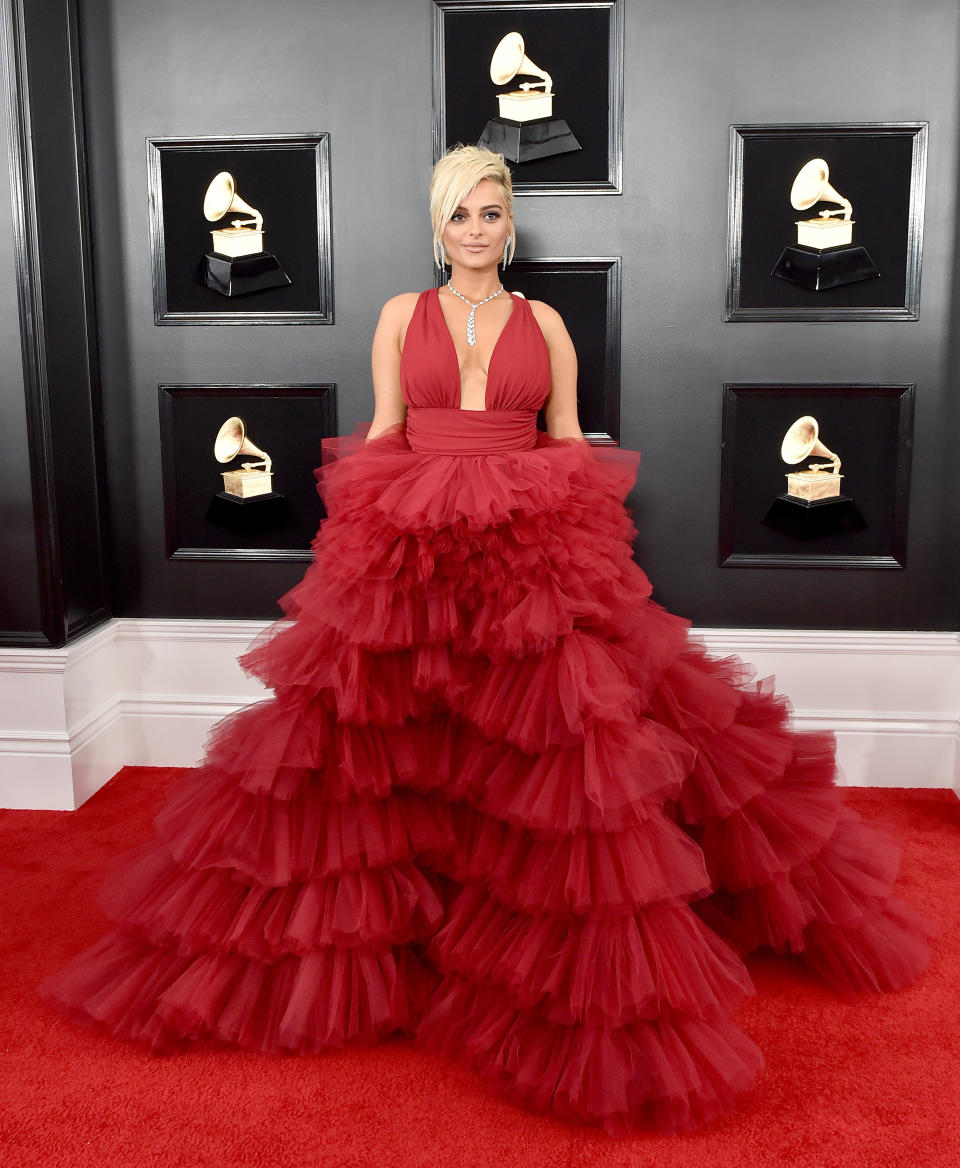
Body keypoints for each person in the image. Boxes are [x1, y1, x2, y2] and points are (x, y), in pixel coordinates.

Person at [41, 145, 933, 1137]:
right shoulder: (397, 317)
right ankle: (402, 930)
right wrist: (353, 547)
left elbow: (566, 432)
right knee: (377, 744)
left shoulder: (545, 323)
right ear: (440, 222)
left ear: (511, 225)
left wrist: (577, 545)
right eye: (462, 213)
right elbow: (384, 429)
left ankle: (529, 945)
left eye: (493, 213)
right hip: (413, 539)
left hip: (525, 542)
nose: (477, 229)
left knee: (557, 748)